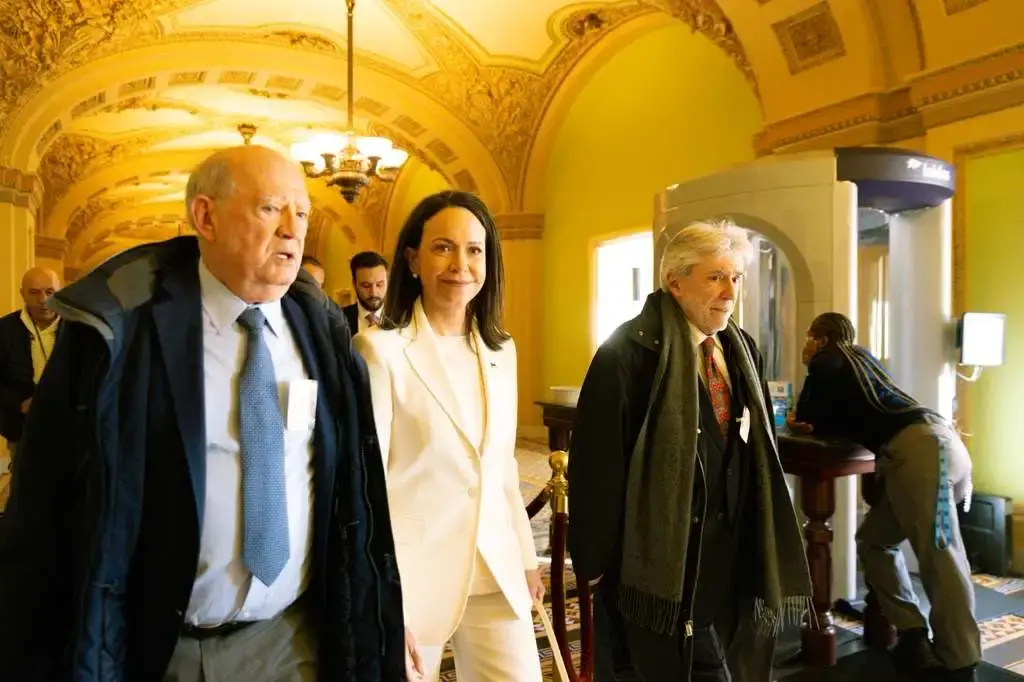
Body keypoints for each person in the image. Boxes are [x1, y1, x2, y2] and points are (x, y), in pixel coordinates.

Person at [0, 144, 413, 682]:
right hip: (165, 649)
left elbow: (355, 496)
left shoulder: (322, 331)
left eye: (303, 213)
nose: (293, 229)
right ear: (206, 216)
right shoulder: (120, 330)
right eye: (270, 208)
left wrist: (379, 618)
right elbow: (44, 506)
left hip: (293, 640)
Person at [568, 219, 812, 682]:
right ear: (674, 282)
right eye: (715, 277)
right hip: (663, 572)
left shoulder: (741, 350)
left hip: (730, 562)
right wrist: (593, 565)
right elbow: (596, 468)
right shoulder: (627, 354)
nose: (729, 292)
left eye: (735, 278)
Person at [353, 190, 544, 682]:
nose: (461, 263)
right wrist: (381, 598)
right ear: (413, 259)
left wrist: (525, 558)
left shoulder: (502, 352)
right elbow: (365, 488)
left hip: (495, 567)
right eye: (443, 247)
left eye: (475, 250)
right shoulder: (380, 351)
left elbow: (501, 468)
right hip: (412, 580)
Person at [788, 312, 980, 682]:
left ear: (822, 338)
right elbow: (838, 414)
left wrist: (809, 364)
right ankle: (912, 634)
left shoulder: (826, 361)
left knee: (941, 554)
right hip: (929, 448)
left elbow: (808, 414)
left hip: (926, 453)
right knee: (874, 541)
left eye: (811, 336)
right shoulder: (861, 357)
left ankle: (960, 661)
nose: (807, 343)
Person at [0, 266, 61, 473]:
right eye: (34, 292)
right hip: (22, 427)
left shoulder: (78, 329)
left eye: (50, 292)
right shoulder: (4, 330)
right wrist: (20, 403)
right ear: (22, 294)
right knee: (26, 491)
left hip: (69, 425)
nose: (43, 299)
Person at [343, 251, 388, 334]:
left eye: (379, 285)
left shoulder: (401, 319)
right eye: (366, 285)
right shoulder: (339, 318)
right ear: (354, 284)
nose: (374, 293)